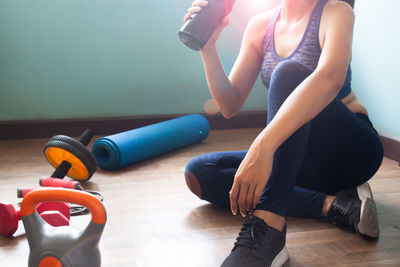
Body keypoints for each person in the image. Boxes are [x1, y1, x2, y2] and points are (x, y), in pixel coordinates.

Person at [183, 0, 384, 266]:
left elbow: (330, 78)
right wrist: (207, 48)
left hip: (351, 151)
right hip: (298, 157)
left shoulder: (335, 11)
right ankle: (336, 206)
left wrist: (263, 146)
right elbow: (229, 104)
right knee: (201, 172)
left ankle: (269, 227)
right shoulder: (260, 26)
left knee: (288, 73)